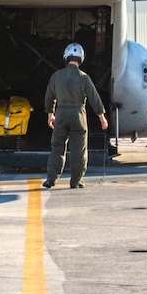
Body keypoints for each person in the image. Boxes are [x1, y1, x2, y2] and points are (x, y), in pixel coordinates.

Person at [43, 42, 109, 189]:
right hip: (78, 115)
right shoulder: (84, 77)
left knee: (57, 147)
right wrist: (102, 117)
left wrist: (50, 114)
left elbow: (49, 97)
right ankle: (76, 181)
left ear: (66, 57)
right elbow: (94, 98)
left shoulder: (56, 76)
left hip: (60, 115)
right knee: (79, 150)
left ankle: (51, 179)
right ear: (81, 58)